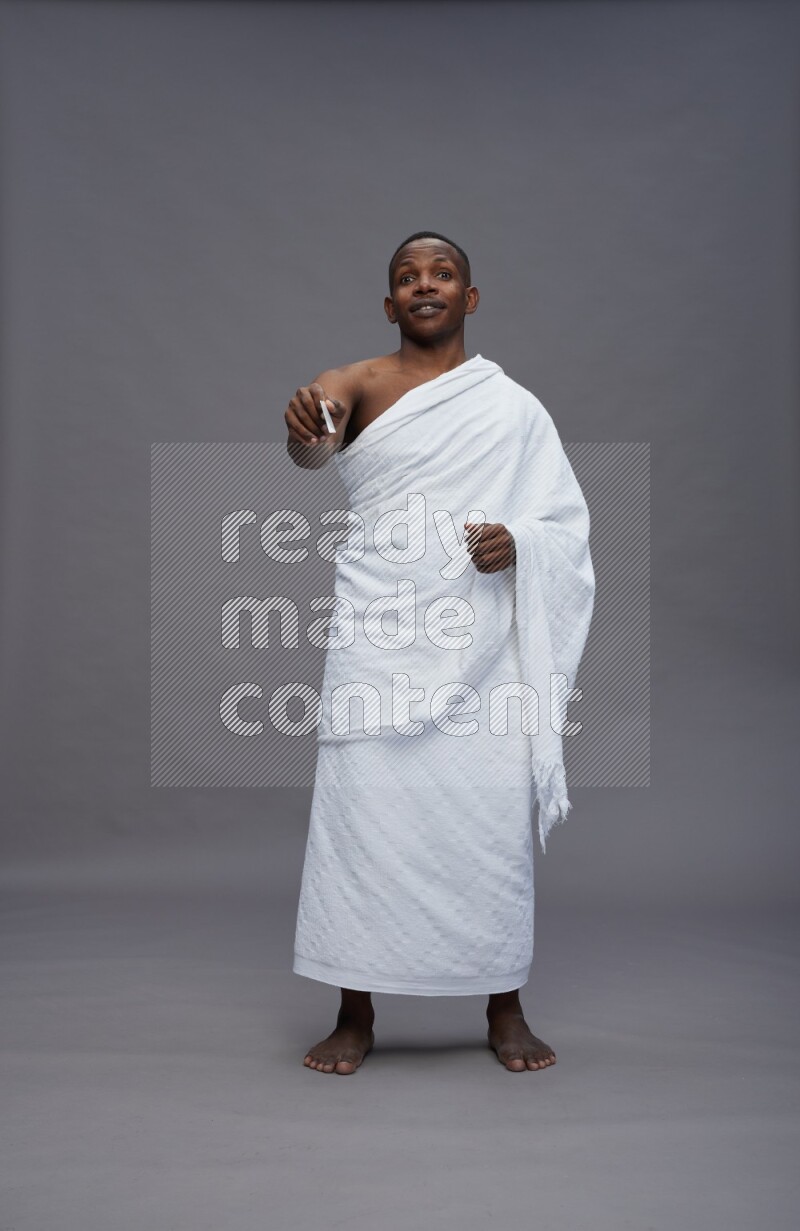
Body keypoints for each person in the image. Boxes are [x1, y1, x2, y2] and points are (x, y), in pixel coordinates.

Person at [285, 231, 594, 1074]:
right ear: (390, 305)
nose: (426, 285)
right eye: (407, 277)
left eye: (443, 274)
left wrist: (520, 544)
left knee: (483, 817)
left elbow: (563, 523)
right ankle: (355, 1010)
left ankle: (503, 1003)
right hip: (378, 630)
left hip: (481, 641)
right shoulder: (361, 382)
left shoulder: (515, 407)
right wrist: (309, 425)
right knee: (364, 815)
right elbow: (316, 438)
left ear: (470, 297)